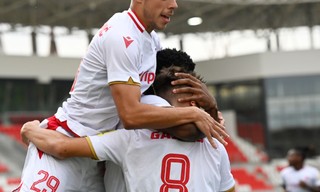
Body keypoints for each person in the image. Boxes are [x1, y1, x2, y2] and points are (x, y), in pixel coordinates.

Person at [15, 0, 228, 192]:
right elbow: (131, 115)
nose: (174, 4)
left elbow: (170, 117)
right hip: (66, 140)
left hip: (100, 155)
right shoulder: (122, 37)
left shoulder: (150, 40)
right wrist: (195, 112)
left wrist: (210, 111)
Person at [20, 66, 235, 192]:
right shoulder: (215, 146)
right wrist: (211, 110)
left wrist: (29, 130)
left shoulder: (133, 138)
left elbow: (61, 147)